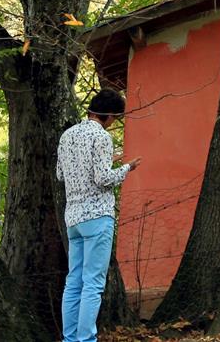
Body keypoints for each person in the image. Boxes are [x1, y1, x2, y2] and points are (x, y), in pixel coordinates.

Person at [57, 88, 140, 342]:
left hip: (73, 217)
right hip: (97, 217)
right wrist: (127, 167)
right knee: (93, 284)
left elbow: (61, 175)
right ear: (108, 114)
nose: (114, 122)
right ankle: (86, 339)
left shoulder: (67, 135)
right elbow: (103, 178)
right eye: (115, 117)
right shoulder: (101, 137)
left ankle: (71, 338)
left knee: (74, 282)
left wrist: (109, 160)